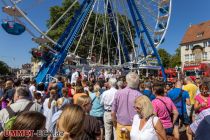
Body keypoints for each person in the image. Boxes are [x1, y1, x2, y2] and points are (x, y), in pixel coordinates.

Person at [112, 72, 142, 140]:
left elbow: (113, 112)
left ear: (126, 81)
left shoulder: (118, 93)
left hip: (121, 126)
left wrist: (115, 124)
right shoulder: (140, 95)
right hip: (135, 127)